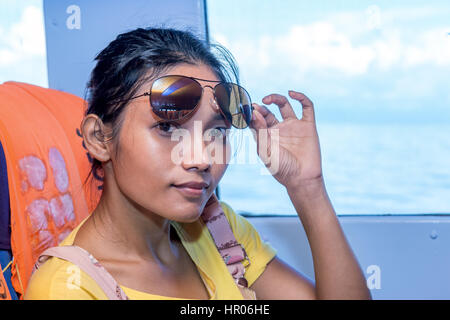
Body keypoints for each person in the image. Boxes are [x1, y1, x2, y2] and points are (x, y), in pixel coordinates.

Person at [24, 27, 371, 300]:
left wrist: (308, 188)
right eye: (167, 128)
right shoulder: (68, 289)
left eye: (216, 131)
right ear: (100, 138)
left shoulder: (220, 233)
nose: (202, 158)